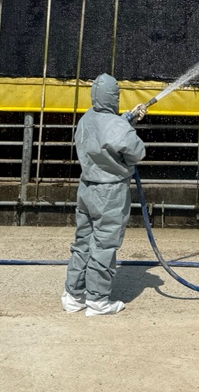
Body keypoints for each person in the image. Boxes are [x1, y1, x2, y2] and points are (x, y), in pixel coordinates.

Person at [63, 73, 148, 316]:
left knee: (83, 242)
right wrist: (125, 123)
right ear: (113, 97)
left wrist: (129, 118)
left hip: (87, 188)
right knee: (104, 244)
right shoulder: (117, 126)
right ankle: (98, 301)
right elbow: (137, 152)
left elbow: (104, 133)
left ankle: (73, 295)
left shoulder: (86, 119)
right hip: (110, 193)